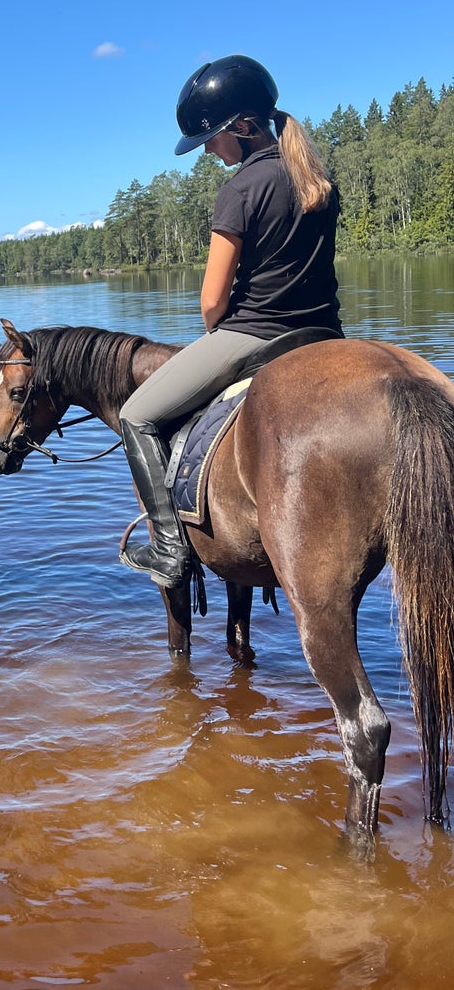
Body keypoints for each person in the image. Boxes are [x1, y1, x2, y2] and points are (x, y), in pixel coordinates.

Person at [118, 55, 342, 589]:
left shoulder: (240, 190)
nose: (210, 154)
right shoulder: (318, 179)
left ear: (243, 127)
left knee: (136, 416)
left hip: (255, 333)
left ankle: (170, 551)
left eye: (212, 140)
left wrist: (216, 320)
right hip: (324, 334)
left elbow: (212, 303)